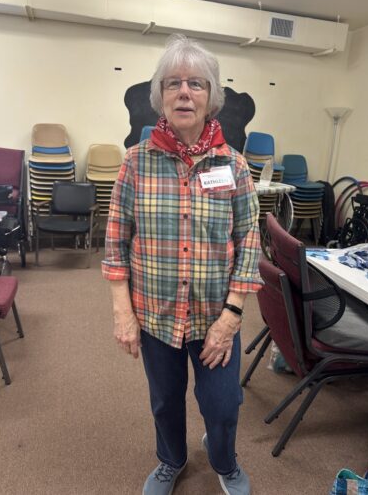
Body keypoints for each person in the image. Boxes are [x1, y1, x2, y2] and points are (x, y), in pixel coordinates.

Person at [102, 34, 262, 495]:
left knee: (224, 404)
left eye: (196, 83)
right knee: (165, 401)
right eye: (173, 83)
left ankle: (224, 460)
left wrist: (232, 316)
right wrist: (122, 312)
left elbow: (249, 241)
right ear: (160, 95)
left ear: (211, 96)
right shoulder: (136, 162)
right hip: (155, 313)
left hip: (216, 315)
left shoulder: (234, 166)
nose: (184, 92)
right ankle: (170, 460)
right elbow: (116, 241)